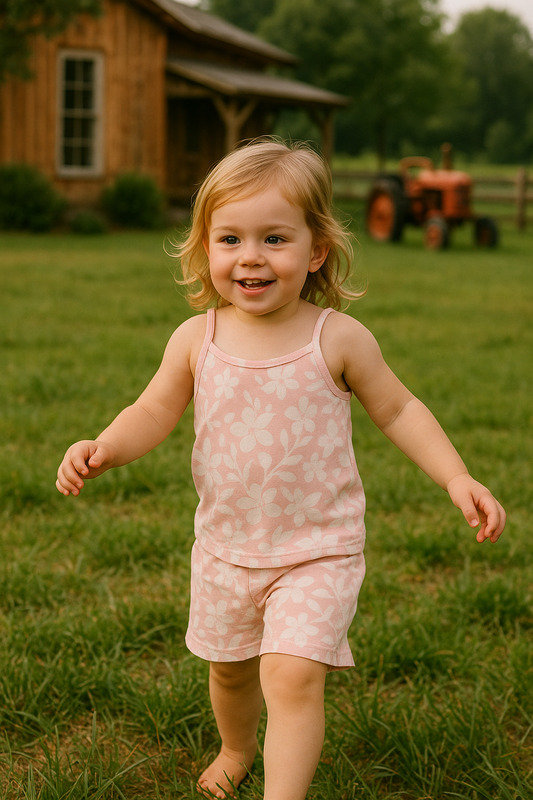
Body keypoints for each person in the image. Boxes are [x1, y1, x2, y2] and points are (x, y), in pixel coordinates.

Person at [56, 138, 506, 800]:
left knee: (291, 675)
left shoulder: (338, 339)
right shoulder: (195, 340)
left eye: (273, 238)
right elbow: (151, 411)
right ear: (205, 247)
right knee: (231, 671)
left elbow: (400, 410)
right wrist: (102, 446)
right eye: (230, 239)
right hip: (226, 548)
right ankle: (237, 747)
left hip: (315, 550)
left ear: (315, 249)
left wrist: (455, 475)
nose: (251, 257)